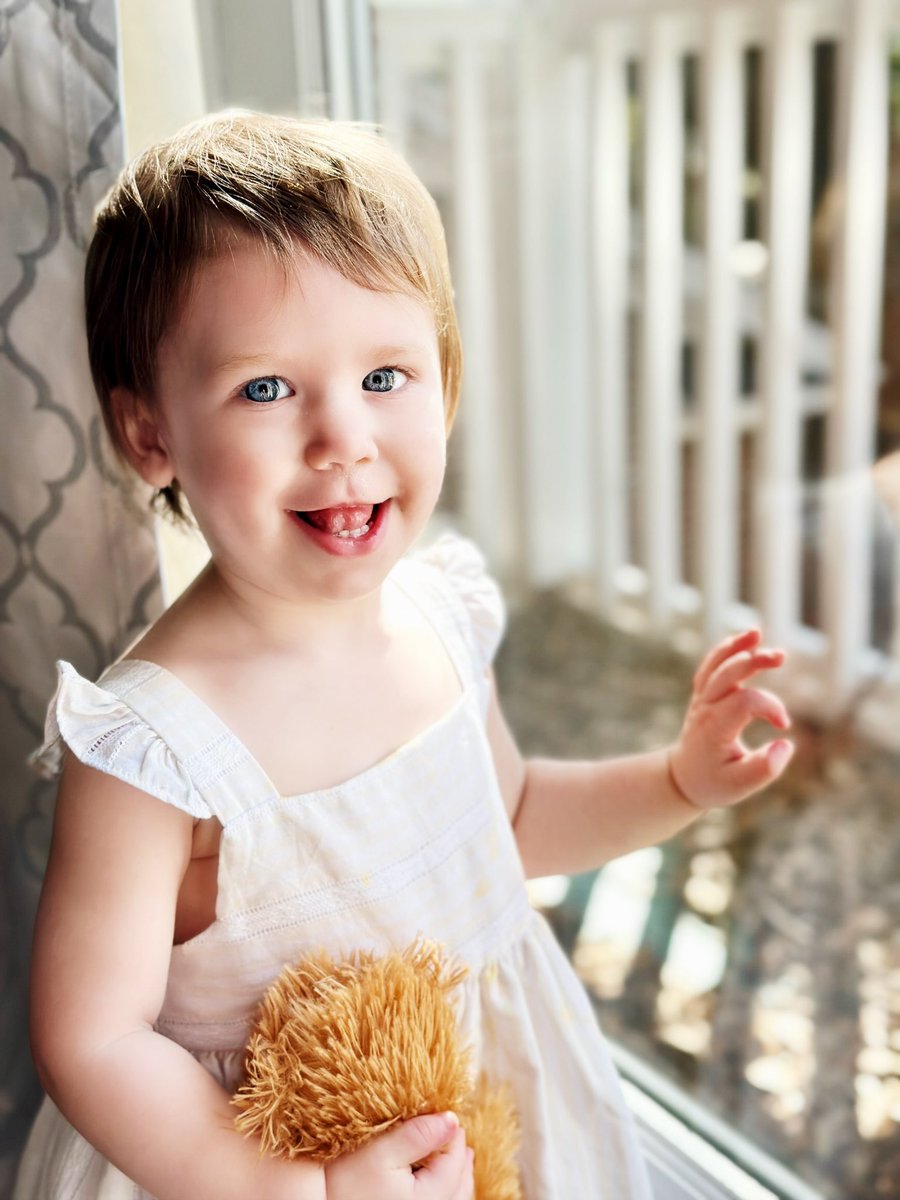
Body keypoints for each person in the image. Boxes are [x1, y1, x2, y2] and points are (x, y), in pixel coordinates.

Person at [14, 111, 793, 1200]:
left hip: (478, 1126)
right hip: (242, 1164)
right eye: (266, 389)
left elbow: (510, 823)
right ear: (152, 435)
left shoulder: (441, 618)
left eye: (386, 376)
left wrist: (675, 783)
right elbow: (92, 1038)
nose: (345, 439)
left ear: (447, 385)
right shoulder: (151, 747)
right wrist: (300, 1189)